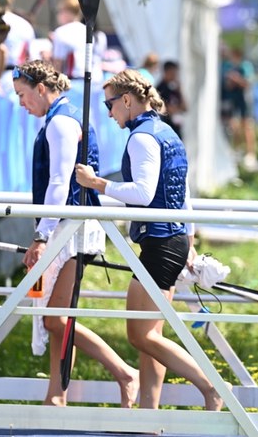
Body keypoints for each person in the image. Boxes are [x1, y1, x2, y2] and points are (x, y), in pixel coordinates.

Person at [74, 69, 223, 411]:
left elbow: (143, 193)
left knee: (140, 335)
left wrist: (96, 183)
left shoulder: (141, 137)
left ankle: (210, 386)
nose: (109, 113)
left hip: (160, 243)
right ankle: (148, 415)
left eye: (109, 104)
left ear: (126, 99)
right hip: (170, 240)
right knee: (151, 335)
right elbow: (181, 192)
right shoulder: (166, 132)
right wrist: (189, 237)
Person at [12, 60, 139, 407]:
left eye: (23, 96)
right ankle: (56, 395)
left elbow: (58, 182)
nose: (22, 105)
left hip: (73, 230)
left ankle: (124, 373)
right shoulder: (61, 119)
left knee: (55, 318)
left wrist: (41, 236)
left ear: (41, 89)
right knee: (57, 314)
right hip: (66, 226)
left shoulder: (61, 123)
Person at [220, 46, 257, 169]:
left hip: (244, 100)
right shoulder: (227, 66)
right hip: (233, 99)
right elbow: (227, 85)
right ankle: (237, 149)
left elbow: (246, 83)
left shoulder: (245, 66)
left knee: (247, 125)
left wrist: (235, 78)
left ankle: (250, 153)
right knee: (233, 125)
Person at [51, 0, 86, 79]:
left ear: (67, 11)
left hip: (72, 79)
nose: (58, 15)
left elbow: (58, 63)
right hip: (90, 80)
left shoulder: (61, 31)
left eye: (60, 11)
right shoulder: (88, 30)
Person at [156, 60, 186, 139]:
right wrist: (176, 109)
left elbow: (185, 108)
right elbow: (167, 110)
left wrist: (180, 91)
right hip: (165, 130)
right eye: (173, 73)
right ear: (167, 72)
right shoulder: (160, 89)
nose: (175, 76)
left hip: (176, 130)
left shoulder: (174, 89)